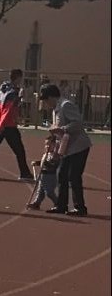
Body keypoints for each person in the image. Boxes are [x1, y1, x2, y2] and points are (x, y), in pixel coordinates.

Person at [38, 82, 92, 216]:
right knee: (61, 175)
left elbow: (78, 123)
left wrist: (61, 129)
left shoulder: (65, 105)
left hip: (78, 147)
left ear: (52, 97)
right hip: (66, 147)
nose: (46, 103)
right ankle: (61, 205)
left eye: (46, 100)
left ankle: (80, 207)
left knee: (74, 176)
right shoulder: (55, 109)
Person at [25, 129, 62, 212]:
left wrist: (46, 163)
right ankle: (36, 203)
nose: (47, 146)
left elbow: (53, 165)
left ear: (55, 145)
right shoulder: (46, 154)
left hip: (50, 177)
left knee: (49, 192)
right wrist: (37, 163)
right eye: (46, 144)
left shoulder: (55, 156)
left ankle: (57, 203)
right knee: (40, 191)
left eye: (49, 144)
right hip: (42, 176)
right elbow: (43, 162)